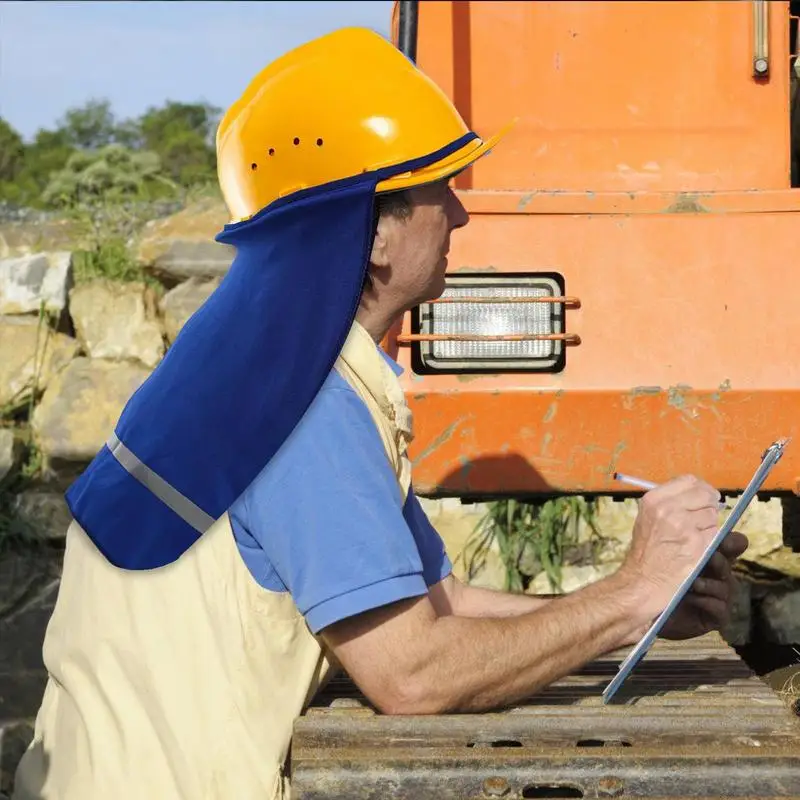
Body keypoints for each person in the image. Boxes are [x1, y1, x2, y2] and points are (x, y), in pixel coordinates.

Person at [13, 26, 747, 800]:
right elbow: (411, 673)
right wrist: (627, 594)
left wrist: (632, 611)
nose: (460, 216)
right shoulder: (302, 408)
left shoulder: (250, 361)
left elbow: (438, 604)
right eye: (440, 190)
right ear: (372, 231)